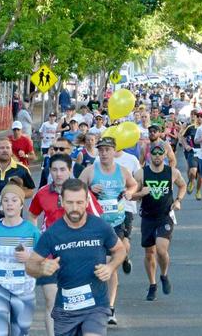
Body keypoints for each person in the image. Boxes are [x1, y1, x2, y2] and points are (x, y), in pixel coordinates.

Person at [26, 179, 126, 336]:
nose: (75, 208)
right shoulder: (52, 233)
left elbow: (120, 250)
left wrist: (110, 267)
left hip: (96, 305)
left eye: (79, 202)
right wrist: (41, 268)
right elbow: (30, 265)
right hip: (66, 310)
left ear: (87, 201)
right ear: (61, 202)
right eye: (70, 202)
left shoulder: (100, 226)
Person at [28, 155, 103, 336]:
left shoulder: (83, 193)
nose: (58, 174)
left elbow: (97, 220)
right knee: (51, 302)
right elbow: (32, 215)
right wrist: (38, 239)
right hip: (50, 257)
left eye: (63, 170)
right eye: (54, 170)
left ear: (70, 170)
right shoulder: (43, 193)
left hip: (78, 256)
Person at [78, 137, 137, 326]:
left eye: (107, 150)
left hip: (116, 223)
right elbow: (75, 189)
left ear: (114, 151)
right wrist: (88, 189)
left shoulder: (122, 171)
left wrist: (129, 193)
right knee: (96, 265)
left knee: (110, 265)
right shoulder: (90, 171)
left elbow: (133, 184)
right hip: (94, 225)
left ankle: (110, 308)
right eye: (101, 150)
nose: (103, 153)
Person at [133, 141, 186, 301]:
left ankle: (164, 275)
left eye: (160, 153)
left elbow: (182, 186)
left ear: (165, 155)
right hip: (148, 217)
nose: (157, 156)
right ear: (149, 156)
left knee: (161, 250)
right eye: (154, 153)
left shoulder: (172, 172)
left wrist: (178, 200)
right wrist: (141, 193)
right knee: (149, 253)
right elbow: (130, 194)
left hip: (165, 215)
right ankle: (152, 284)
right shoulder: (141, 174)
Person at [0, 185, 39, 336]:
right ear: (1, 204)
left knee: (20, 332)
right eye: (6, 200)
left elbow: (41, 260)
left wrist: (29, 257)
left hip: (24, 288)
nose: (9, 204)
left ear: (21, 204)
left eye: (14, 200)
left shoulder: (32, 231)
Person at [0, 138, 36, 216]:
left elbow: (31, 191)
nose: (5, 150)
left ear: (11, 151)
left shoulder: (22, 169)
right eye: (1, 148)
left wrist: (16, 195)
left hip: (14, 216)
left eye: (8, 148)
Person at [113, 148, 140, 276]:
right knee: (110, 242)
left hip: (126, 206)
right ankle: (113, 270)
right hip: (106, 208)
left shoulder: (131, 159)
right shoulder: (99, 160)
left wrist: (132, 192)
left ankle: (123, 258)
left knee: (124, 240)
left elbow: (138, 181)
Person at [180, 110, 202, 198]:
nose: (199, 118)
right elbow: (182, 136)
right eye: (198, 116)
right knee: (193, 171)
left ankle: (198, 191)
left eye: (201, 117)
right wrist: (186, 145)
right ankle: (191, 181)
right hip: (193, 151)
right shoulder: (191, 127)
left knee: (201, 176)